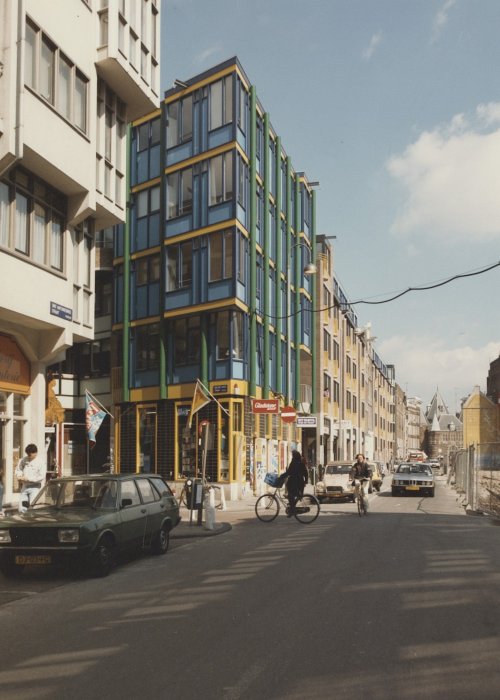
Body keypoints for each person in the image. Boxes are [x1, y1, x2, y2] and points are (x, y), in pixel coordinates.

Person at [15, 443, 46, 513]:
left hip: (35, 487)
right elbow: (18, 469)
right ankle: (23, 521)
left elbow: (41, 476)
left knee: (32, 507)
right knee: (21, 508)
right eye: (28, 454)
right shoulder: (24, 460)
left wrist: (28, 478)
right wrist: (19, 476)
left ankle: (32, 521)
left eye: (30, 454)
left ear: (35, 453)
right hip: (25, 486)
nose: (29, 456)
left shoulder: (40, 462)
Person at [285, 449, 308, 516]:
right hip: (299, 483)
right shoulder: (300, 462)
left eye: (292, 455)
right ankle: (292, 509)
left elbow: (289, 472)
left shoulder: (294, 462)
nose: (292, 456)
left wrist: (282, 477)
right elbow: (305, 473)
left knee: (291, 496)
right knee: (293, 496)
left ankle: (292, 510)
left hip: (295, 484)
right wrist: (305, 481)